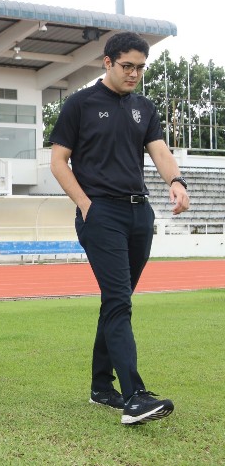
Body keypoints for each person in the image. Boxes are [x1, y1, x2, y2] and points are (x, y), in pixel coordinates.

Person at [49, 31, 190, 425]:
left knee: (118, 300)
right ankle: (134, 397)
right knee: (119, 301)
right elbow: (59, 161)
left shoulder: (144, 107)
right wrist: (85, 205)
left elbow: (159, 150)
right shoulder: (80, 104)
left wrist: (176, 182)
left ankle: (100, 387)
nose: (134, 74)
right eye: (127, 66)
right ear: (107, 62)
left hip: (138, 213)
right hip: (101, 214)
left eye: (140, 67)